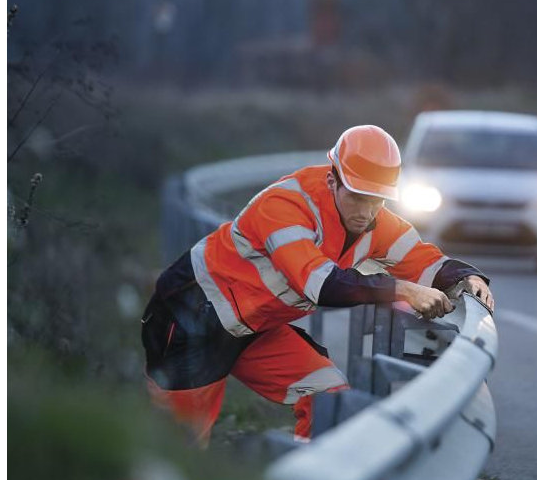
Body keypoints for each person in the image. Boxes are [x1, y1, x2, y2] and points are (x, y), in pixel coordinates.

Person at [141, 125, 494, 445]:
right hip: (191, 319)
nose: (366, 212)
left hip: (256, 328)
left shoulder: (375, 220)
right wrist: (402, 290)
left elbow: (424, 260)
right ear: (333, 180)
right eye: (356, 195)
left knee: (329, 399)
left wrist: (467, 277)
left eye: (376, 199)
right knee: (181, 445)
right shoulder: (285, 206)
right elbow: (320, 284)